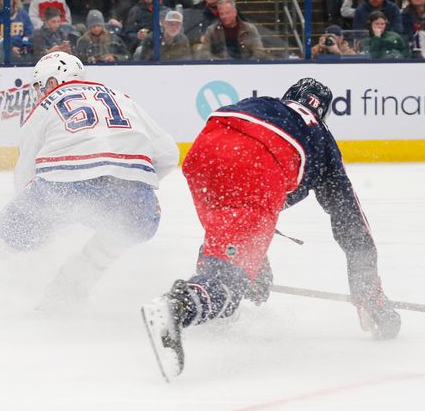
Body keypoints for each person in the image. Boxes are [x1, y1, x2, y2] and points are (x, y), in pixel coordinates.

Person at [142, 78, 402, 381]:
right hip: (257, 162)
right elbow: (352, 227)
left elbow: (237, 206)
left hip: (206, 148)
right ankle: (178, 307)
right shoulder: (322, 140)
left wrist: (256, 261)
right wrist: (370, 295)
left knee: (227, 237)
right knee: (231, 279)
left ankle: (214, 284)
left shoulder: (265, 104)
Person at [0, 51, 179, 316]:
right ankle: (65, 293)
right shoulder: (123, 98)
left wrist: (31, 223)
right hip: (134, 196)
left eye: (40, 86)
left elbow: (25, 175)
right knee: (116, 235)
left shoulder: (47, 105)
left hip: (64, 184)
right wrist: (140, 188)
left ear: (55, 81)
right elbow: (168, 154)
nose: (39, 93)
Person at [200, 0, 269, 60]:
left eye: (227, 13)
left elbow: (259, 51)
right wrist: (220, 64)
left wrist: (247, 65)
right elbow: (205, 53)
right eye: (221, 14)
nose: (224, 16)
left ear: (235, 12)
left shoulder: (249, 29)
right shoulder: (212, 30)